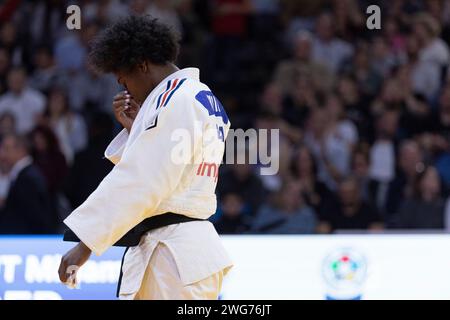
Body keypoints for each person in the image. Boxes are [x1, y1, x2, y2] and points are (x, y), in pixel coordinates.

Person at [58, 16, 233, 300]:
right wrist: (138, 127)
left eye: (124, 79)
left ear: (142, 65)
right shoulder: (199, 95)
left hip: (173, 254)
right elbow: (169, 167)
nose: (125, 89)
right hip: (182, 249)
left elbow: (143, 180)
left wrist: (85, 244)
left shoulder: (174, 98)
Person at [0, 133, 54, 234]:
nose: (2, 154)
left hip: (24, 243)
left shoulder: (27, 178)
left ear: (21, 150)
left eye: (6, 149)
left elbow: (34, 218)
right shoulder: (25, 175)